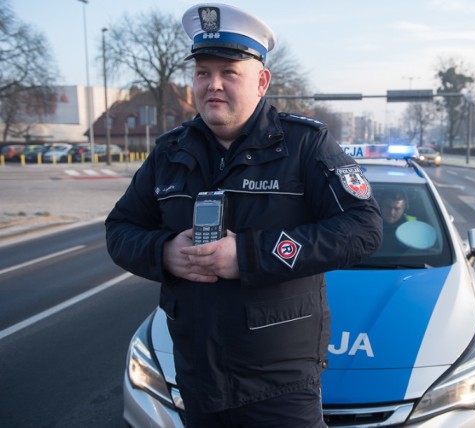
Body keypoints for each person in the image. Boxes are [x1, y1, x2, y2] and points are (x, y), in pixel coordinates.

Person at [105, 3, 382, 427]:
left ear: (261, 81)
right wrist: (163, 252)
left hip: (281, 385)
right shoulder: (168, 152)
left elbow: (363, 228)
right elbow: (120, 230)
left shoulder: (305, 145)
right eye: (203, 73)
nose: (213, 85)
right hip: (197, 378)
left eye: (229, 73)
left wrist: (251, 256)